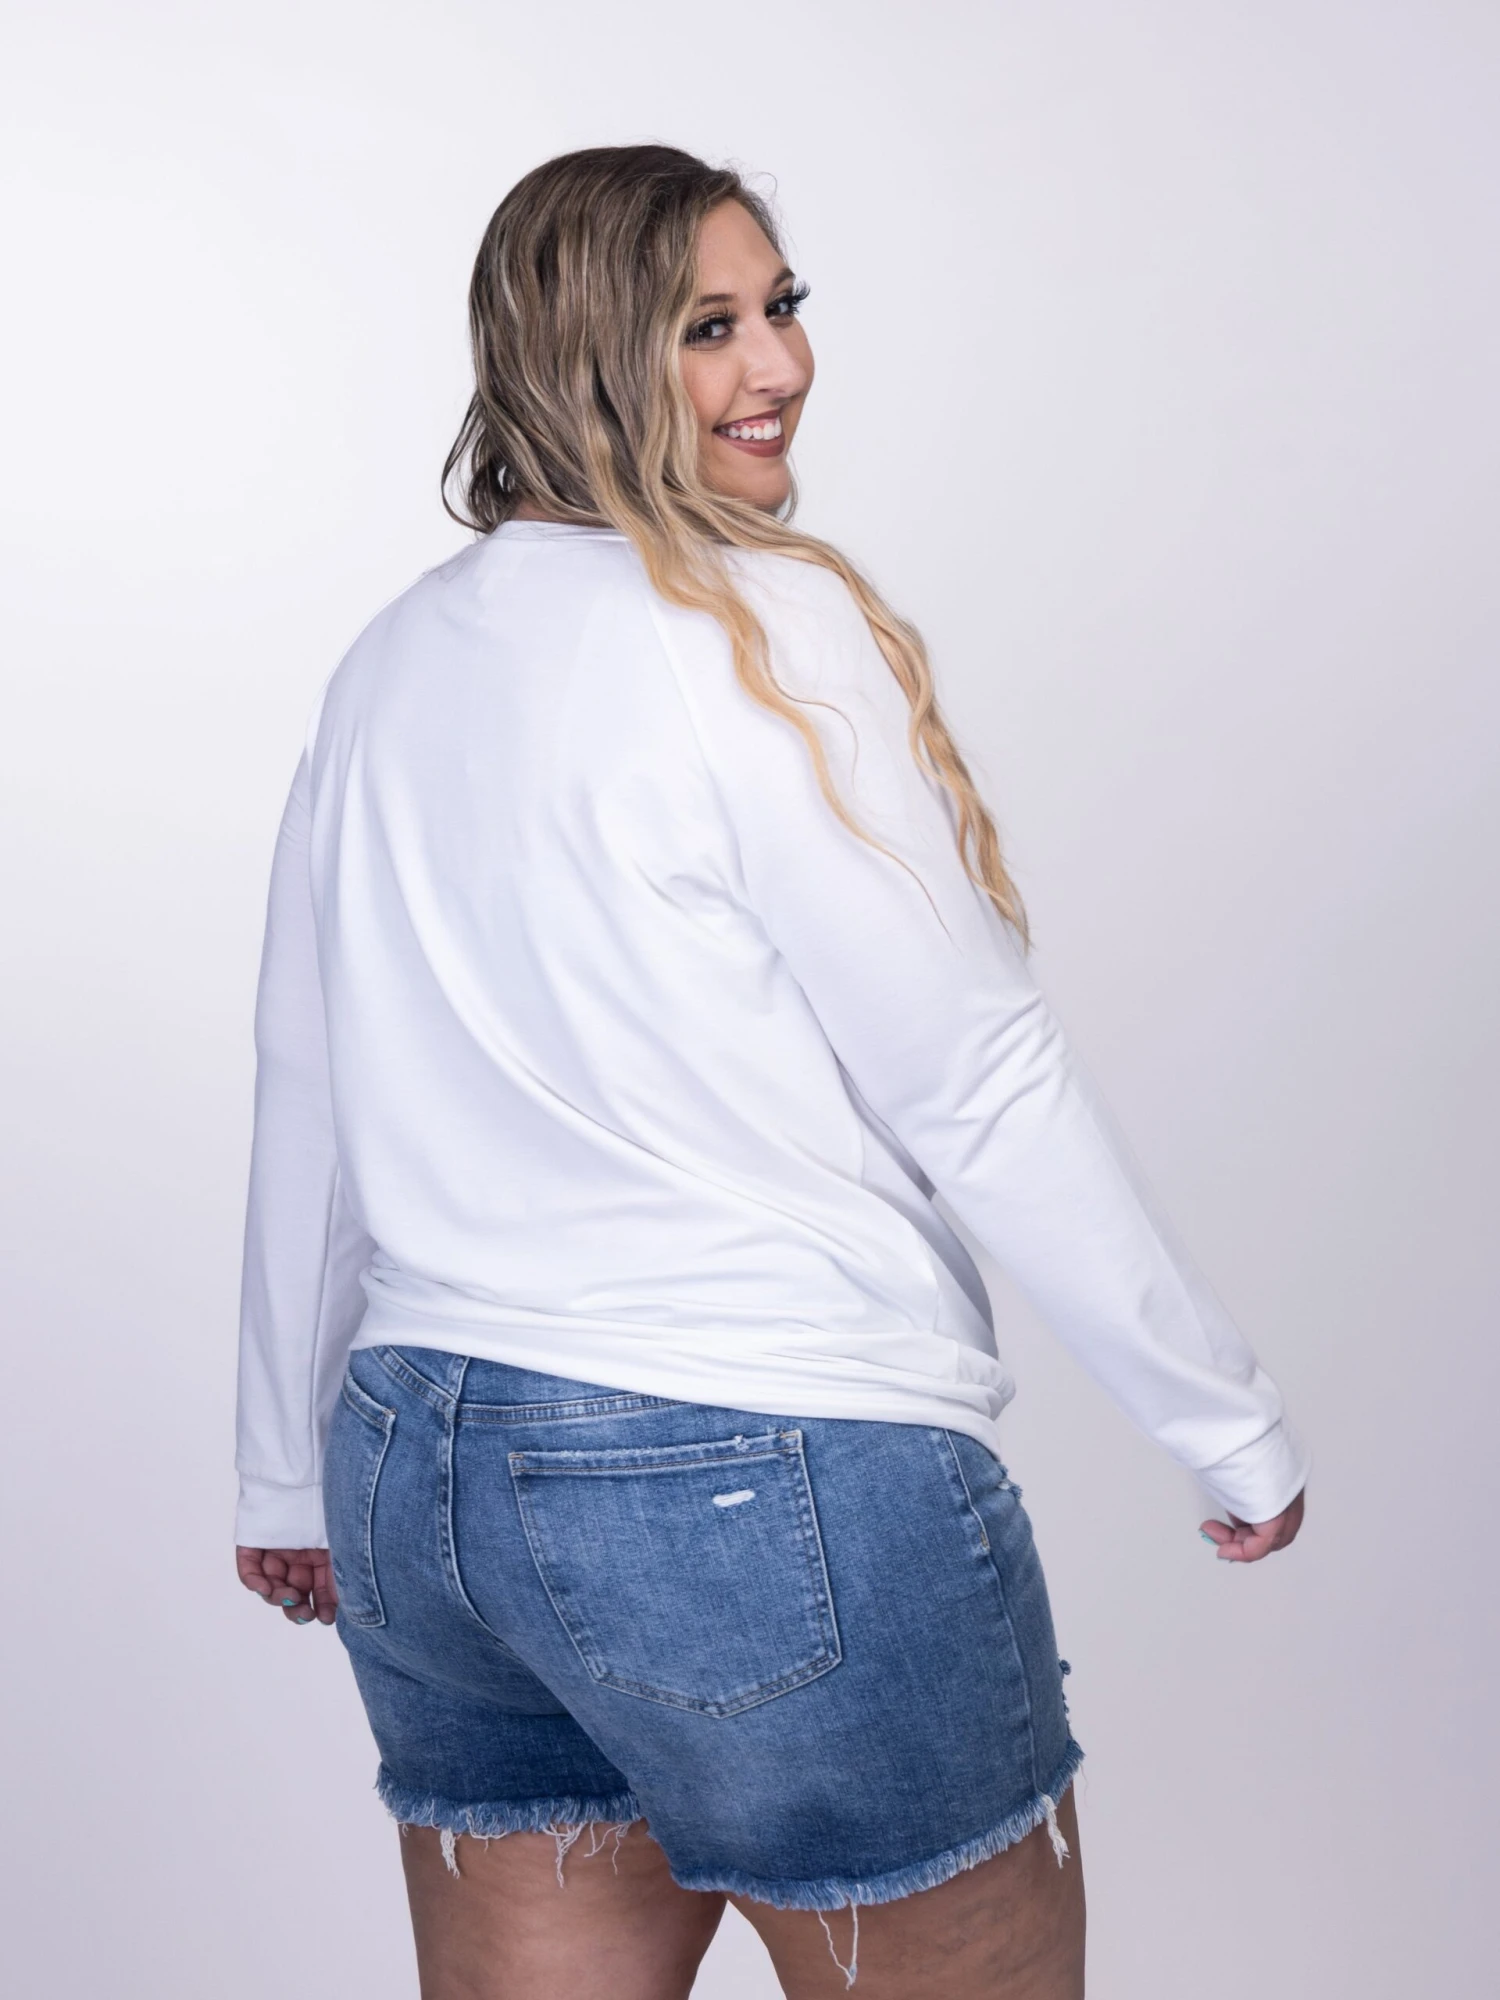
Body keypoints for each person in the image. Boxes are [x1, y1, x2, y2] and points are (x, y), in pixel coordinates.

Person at [233, 144, 1308, 2000]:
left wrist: (278, 1469)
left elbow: (310, 1092)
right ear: (582, 356)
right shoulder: (753, 630)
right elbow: (973, 1076)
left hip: (424, 1477)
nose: (779, 367)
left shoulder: (390, 663)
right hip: (758, 1461)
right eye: (708, 328)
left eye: (782, 309)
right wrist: (1224, 1418)